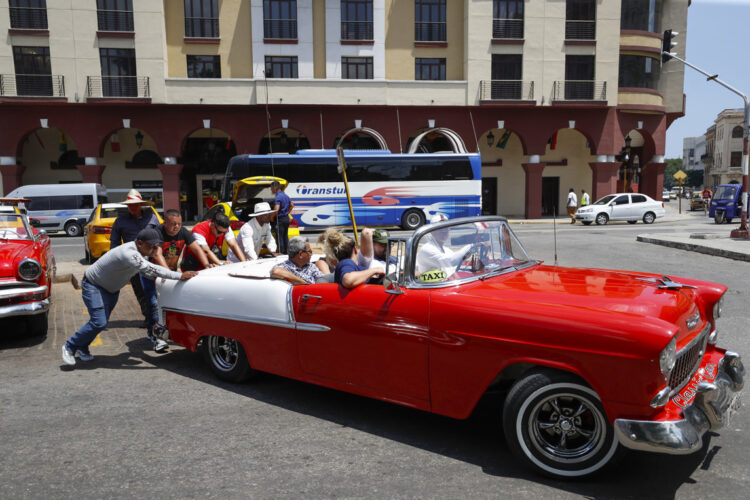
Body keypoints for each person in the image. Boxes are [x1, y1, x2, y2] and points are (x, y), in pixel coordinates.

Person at [61, 228, 197, 366]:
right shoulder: (129, 253)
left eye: (156, 246)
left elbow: (144, 273)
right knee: (99, 322)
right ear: (139, 243)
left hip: (111, 290)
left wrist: (161, 278)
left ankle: (82, 347)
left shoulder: (141, 253)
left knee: (99, 324)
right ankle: (69, 346)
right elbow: (149, 269)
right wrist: (179, 276)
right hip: (94, 286)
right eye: (151, 246)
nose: (154, 249)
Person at [140, 209, 209, 351]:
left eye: (179, 223)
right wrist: (168, 274)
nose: (176, 227)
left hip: (169, 273)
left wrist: (207, 266)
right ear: (165, 222)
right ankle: (156, 338)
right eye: (173, 224)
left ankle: (170, 332)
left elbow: (197, 249)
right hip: (152, 274)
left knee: (174, 303)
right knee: (154, 304)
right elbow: (158, 254)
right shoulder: (157, 233)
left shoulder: (183, 232)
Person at [110, 189, 160, 325]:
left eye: (135, 205)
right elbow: (114, 243)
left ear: (140, 205)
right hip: (132, 261)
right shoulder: (120, 221)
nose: (132, 207)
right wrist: (115, 262)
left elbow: (160, 236)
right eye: (130, 205)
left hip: (152, 259)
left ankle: (157, 317)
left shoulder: (152, 218)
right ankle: (149, 317)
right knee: (140, 291)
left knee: (155, 290)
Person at [415, 214, 473, 279]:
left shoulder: (447, 251)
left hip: (449, 285)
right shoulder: (426, 249)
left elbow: (457, 262)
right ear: (431, 231)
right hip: (434, 287)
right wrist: (472, 245)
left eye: (446, 227)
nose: (443, 231)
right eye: (439, 228)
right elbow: (451, 261)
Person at [270, 181, 294, 254]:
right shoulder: (285, 195)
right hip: (286, 218)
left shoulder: (278, 197)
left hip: (280, 219)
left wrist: (271, 217)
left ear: (275, 187)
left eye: (271, 188)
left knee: (279, 237)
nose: (271, 190)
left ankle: (280, 252)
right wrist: (287, 213)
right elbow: (292, 205)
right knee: (285, 235)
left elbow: (276, 209)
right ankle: (286, 252)